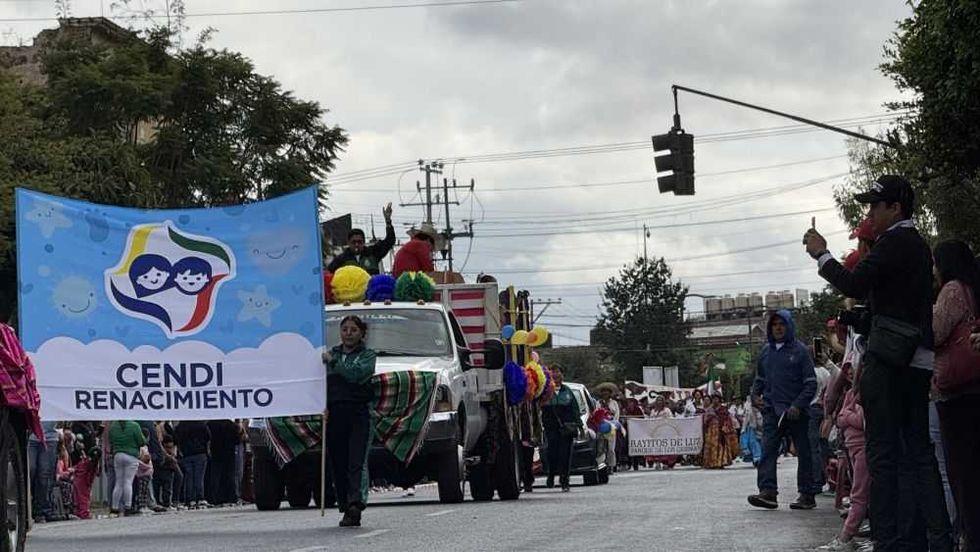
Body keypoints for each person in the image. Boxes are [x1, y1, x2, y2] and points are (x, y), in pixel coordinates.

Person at [804, 175, 953, 551]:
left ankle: (889, 540)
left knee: (884, 454)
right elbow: (897, 305)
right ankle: (931, 537)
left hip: (890, 363)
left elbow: (852, 283)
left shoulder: (895, 242)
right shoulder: (917, 247)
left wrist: (821, 254)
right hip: (916, 360)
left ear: (895, 208)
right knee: (916, 453)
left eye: (875, 205)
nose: (870, 213)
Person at [932, 239, 980, 552]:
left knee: (963, 473)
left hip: (957, 392)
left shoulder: (951, 290)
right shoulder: (974, 289)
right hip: (974, 388)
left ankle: (971, 537)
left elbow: (934, 332)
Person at [747, 309, 818, 510]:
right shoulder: (765, 352)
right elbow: (759, 380)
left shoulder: (800, 351)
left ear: (788, 326)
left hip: (797, 412)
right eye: (774, 324)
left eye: (782, 324)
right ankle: (768, 492)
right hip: (772, 411)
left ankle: (807, 494)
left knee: (804, 452)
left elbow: (811, 383)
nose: (778, 328)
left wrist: (798, 405)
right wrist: (755, 397)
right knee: (768, 450)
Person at [324, 315, 377, 527]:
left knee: (356, 461)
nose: (348, 333)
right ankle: (344, 503)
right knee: (337, 462)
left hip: (359, 414)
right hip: (335, 415)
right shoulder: (332, 353)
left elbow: (356, 375)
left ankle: (356, 505)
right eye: (345, 329)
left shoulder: (367, 355)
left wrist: (334, 363)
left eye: (353, 330)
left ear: (361, 334)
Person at [541, 364, 582, 492]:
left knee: (566, 455)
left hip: (567, 428)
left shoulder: (568, 392)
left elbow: (575, 410)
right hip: (551, 428)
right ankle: (551, 475)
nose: (556, 375)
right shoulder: (545, 391)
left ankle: (565, 480)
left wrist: (579, 425)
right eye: (553, 372)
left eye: (558, 372)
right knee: (552, 453)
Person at [326, 203, 395, 275]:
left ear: (364, 242)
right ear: (348, 243)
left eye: (359, 242)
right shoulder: (341, 259)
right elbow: (328, 274)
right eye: (354, 242)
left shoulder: (373, 253)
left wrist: (388, 221)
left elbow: (389, 241)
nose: (357, 244)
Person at [108, 419, 146, 516]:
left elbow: (111, 440)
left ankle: (114, 508)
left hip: (118, 455)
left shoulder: (113, 426)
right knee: (128, 482)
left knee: (119, 482)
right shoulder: (135, 425)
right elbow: (142, 441)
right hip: (131, 456)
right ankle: (128, 507)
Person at [27, 421, 59, 523]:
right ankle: (28, 505)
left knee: (44, 475)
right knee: (30, 470)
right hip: (31, 437)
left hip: (50, 437)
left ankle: (40, 510)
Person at [175, 420, 211, 508]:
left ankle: (189, 498)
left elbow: (175, 438)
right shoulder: (201, 424)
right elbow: (208, 437)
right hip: (200, 452)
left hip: (186, 454)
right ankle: (200, 498)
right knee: (199, 477)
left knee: (189, 477)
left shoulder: (181, 425)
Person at [701, 395, 739, 469]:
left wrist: (726, 427)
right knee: (712, 446)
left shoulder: (723, 409)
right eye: (714, 399)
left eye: (716, 399)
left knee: (721, 446)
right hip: (712, 431)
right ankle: (712, 463)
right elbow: (705, 420)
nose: (715, 400)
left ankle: (720, 462)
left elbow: (728, 419)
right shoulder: (710, 410)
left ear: (719, 400)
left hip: (722, 430)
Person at [647, 395, 678, 470]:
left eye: (661, 400)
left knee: (665, 446)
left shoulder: (667, 410)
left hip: (665, 431)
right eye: (658, 400)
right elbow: (651, 420)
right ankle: (657, 462)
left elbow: (671, 419)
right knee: (657, 446)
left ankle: (665, 462)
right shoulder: (653, 411)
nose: (659, 402)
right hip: (656, 431)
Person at [596, 385, 620, 474]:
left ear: (610, 393)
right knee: (601, 447)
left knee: (610, 448)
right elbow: (596, 413)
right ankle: (602, 466)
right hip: (601, 426)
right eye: (603, 391)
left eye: (607, 391)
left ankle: (611, 466)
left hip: (611, 426)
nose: (605, 393)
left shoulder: (614, 403)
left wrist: (613, 423)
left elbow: (617, 414)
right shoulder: (598, 403)